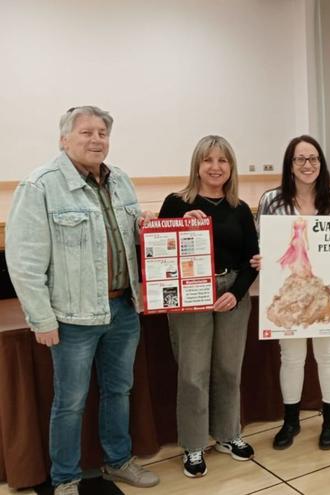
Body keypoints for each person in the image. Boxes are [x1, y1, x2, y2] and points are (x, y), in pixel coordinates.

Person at [6, 106, 159, 494]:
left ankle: (118, 461)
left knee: (118, 391)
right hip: (72, 318)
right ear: (64, 139)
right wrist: (41, 319)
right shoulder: (40, 185)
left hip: (124, 309)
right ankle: (66, 478)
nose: (96, 140)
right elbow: (24, 263)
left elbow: (134, 236)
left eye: (103, 133)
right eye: (86, 132)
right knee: (70, 403)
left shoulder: (120, 180)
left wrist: (165, 229)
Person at [158, 135, 259, 478]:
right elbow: (159, 255)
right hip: (191, 293)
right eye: (208, 160)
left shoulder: (241, 209)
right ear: (196, 166)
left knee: (229, 369)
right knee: (193, 373)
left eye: (223, 161)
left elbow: (252, 260)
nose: (215, 167)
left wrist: (237, 292)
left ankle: (229, 434)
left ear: (231, 167)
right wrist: (182, 224)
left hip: (232, 292)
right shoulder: (176, 203)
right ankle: (194, 443)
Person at [252, 135, 330, 451]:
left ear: (321, 163)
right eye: (300, 159)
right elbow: (263, 244)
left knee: (328, 354)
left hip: (325, 291)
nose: (307, 165)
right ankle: (291, 421)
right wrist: (260, 258)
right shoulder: (272, 200)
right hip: (289, 290)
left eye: (313, 158)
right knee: (292, 356)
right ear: (290, 164)